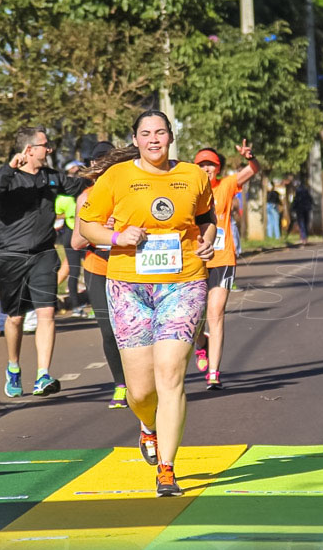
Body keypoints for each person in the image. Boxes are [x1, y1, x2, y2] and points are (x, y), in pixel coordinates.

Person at [78, 110, 216, 497]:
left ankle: (168, 470)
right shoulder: (116, 178)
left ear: (171, 137)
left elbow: (207, 218)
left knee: (170, 372)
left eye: (160, 132)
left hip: (183, 282)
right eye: (145, 133)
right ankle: (148, 427)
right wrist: (118, 236)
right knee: (140, 392)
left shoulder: (193, 175)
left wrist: (207, 238)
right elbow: (87, 226)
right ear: (136, 140)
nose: (154, 139)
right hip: (128, 287)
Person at [0, 126, 88, 398]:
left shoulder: (51, 178)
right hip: (12, 257)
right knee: (15, 318)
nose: (49, 149)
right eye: (45, 145)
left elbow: (83, 185)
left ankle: (43, 374)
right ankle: (14, 367)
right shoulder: (8, 178)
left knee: (46, 314)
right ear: (29, 150)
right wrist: (8, 168)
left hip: (43, 255)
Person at [191, 141, 260, 390]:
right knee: (194, 316)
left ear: (217, 168)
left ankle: (213, 373)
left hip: (222, 259)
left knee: (215, 313)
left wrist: (251, 157)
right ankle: (201, 344)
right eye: (201, 164)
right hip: (194, 261)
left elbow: (253, 169)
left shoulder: (227, 186)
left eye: (211, 164)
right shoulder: (188, 189)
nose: (206, 168)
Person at [72, 142, 132, 408]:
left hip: (130, 267)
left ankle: (142, 383)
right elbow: (76, 242)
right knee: (109, 331)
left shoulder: (130, 193)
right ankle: (120, 384)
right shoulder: (86, 198)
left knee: (133, 330)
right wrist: (99, 231)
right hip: (98, 268)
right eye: (97, 163)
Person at [56, 160, 86, 315]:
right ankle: (96, 303)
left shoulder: (63, 198)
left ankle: (75, 307)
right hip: (85, 236)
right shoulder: (87, 194)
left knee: (73, 272)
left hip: (69, 235)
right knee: (90, 272)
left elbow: (56, 212)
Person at [291, 180, 313, 245]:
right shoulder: (306, 192)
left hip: (300, 210)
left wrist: (292, 208)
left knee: (301, 224)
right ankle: (305, 238)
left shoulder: (298, 192)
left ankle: (303, 238)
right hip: (306, 209)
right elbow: (311, 200)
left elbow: (296, 201)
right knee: (306, 223)